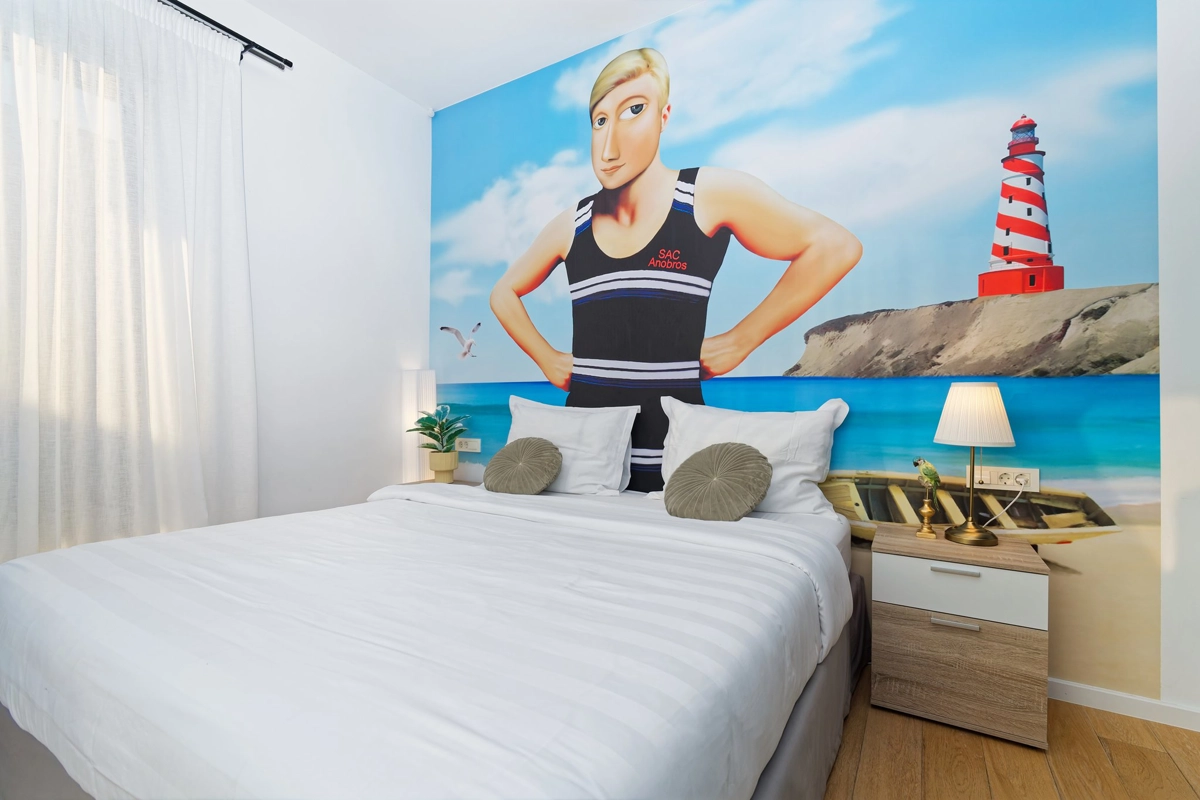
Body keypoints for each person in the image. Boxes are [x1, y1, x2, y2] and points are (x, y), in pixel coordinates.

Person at [491, 48, 862, 491]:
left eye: (633, 110)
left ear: (663, 116)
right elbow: (503, 293)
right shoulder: (572, 224)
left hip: (678, 476)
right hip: (580, 478)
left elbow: (835, 246)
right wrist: (546, 358)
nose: (609, 147)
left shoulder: (704, 195)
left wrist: (742, 339)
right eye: (600, 120)